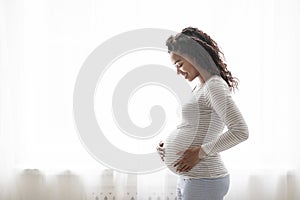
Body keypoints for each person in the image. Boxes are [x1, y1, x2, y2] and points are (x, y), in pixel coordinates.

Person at [156, 27, 249, 200]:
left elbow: (240, 131)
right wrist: (167, 149)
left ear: (194, 56)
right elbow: (194, 128)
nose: (178, 71)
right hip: (190, 178)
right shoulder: (201, 87)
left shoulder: (214, 86)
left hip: (204, 179)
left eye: (179, 64)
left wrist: (200, 152)